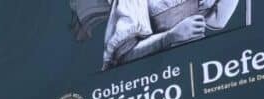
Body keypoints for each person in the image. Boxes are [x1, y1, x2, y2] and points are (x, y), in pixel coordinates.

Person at [101, 0, 240, 70]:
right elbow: (124, 56)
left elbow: (217, 20)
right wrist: (170, 36)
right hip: (164, 74)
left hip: (201, 64)